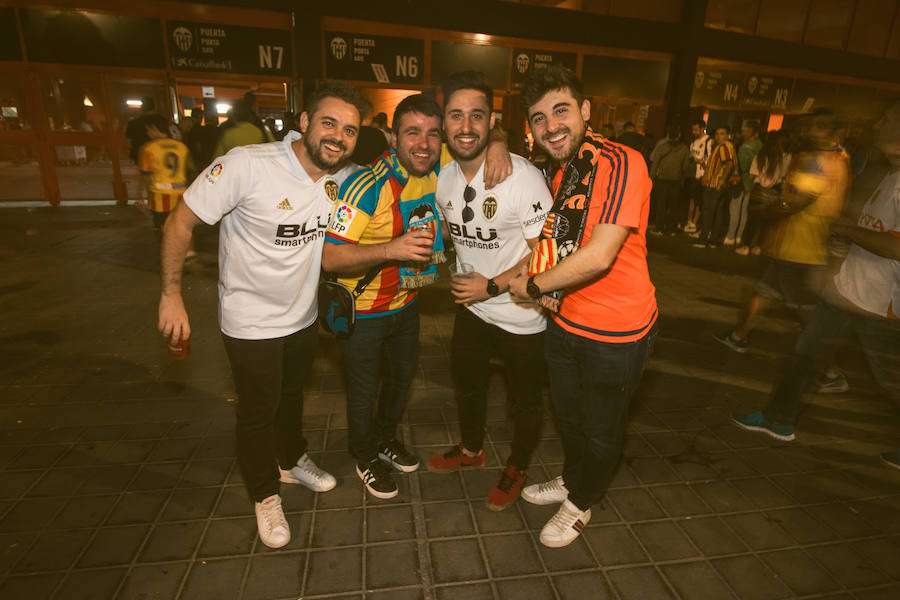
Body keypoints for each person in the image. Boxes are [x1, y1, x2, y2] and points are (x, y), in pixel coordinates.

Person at [157, 81, 370, 549]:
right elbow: (181, 221)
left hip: (303, 315)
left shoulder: (345, 177)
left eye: (350, 130)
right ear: (305, 122)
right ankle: (264, 494)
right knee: (257, 412)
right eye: (329, 123)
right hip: (249, 320)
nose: (338, 136)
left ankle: (290, 460)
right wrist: (171, 294)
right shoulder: (247, 166)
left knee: (292, 395)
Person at [323, 93, 512, 500]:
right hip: (365, 312)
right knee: (362, 391)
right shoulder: (364, 187)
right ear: (393, 137)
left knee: (400, 382)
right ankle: (364, 454)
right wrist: (392, 249)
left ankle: (385, 439)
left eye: (432, 134)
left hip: (408, 303)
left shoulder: (440, 168)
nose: (423, 144)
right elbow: (330, 256)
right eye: (412, 133)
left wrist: (498, 142)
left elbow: (479, 135)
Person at [508, 66, 658, 548]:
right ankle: (575, 479)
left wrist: (531, 286)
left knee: (601, 428)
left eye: (561, 110)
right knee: (569, 418)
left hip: (617, 329)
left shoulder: (619, 161)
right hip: (565, 318)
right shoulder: (558, 170)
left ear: (586, 110)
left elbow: (598, 255)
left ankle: (583, 501)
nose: (551, 125)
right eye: (538, 118)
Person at [731, 101, 900, 469]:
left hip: (882, 303)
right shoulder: (887, 175)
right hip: (847, 289)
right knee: (803, 356)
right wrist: (848, 241)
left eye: (889, 117)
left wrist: (847, 231)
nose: (880, 121)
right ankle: (779, 419)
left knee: (891, 379)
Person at [426, 71, 553, 511]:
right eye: (456, 116)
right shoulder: (443, 178)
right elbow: (452, 235)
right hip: (472, 309)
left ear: (491, 121)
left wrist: (492, 285)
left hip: (521, 314)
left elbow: (547, 254)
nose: (465, 127)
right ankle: (471, 448)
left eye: (476, 116)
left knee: (524, 402)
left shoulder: (523, 178)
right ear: (444, 123)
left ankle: (517, 465)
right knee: (468, 386)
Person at [715, 111, 848, 354]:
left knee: (804, 312)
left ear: (832, 134)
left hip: (803, 249)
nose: (809, 131)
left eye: (817, 127)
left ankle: (829, 371)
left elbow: (799, 200)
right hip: (793, 245)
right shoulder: (826, 158)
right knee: (765, 292)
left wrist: (767, 208)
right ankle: (738, 336)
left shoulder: (821, 161)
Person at [736, 130, 792, 256]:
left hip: (759, 190)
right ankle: (758, 247)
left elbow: (751, 174)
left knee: (752, 220)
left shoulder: (761, 155)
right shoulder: (787, 156)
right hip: (775, 190)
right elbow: (784, 175)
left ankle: (745, 247)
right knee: (766, 222)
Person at [138, 114, 194, 232]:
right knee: (180, 224)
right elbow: (190, 169)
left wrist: (143, 195)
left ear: (154, 128)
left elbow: (146, 175)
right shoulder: (182, 147)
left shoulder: (149, 148)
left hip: (159, 194)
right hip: (180, 193)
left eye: (148, 130)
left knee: (163, 226)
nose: (147, 133)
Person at [693, 125, 738, 248]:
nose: (719, 136)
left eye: (722, 133)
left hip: (715, 184)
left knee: (708, 211)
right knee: (717, 213)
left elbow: (728, 164)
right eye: (717, 134)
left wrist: (722, 180)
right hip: (715, 182)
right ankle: (713, 240)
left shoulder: (724, 147)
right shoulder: (723, 147)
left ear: (727, 135)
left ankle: (703, 240)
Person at [648, 124, 693, 235]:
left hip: (661, 180)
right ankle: (671, 228)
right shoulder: (684, 149)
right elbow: (685, 167)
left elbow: (654, 164)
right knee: (673, 206)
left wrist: (651, 178)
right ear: (679, 135)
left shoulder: (662, 147)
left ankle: (659, 228)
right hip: (676, 181)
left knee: (661, 205)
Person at [725, 120, 763, 246]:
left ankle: (730, 236)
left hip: (740, 180)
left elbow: (741, 165)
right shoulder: (760, 145)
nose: (743, 132)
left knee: (735, 208)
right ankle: (739, 236)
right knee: (744, 210)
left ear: (752, 132)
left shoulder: (746, 147)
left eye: (746, 130)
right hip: (751, 182)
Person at [686, 119, 712, 234]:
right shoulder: (694, 141)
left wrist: (701, 161)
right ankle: (689, 221)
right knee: (692, 198)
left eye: (696, 129)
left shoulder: (708, 141)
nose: (694, 132)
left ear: (702, 128)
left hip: (702, 174)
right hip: (693, 174)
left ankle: (694, 222)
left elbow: (710, 159)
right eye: (693, 129)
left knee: (699, 200)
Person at [125, 97, 158, 164]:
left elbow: (129, 141)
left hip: (140, 156)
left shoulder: (133, 123)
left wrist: (131, 153)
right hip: (158, 155)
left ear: (141, 109)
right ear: (154, 108)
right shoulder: (161, 121)